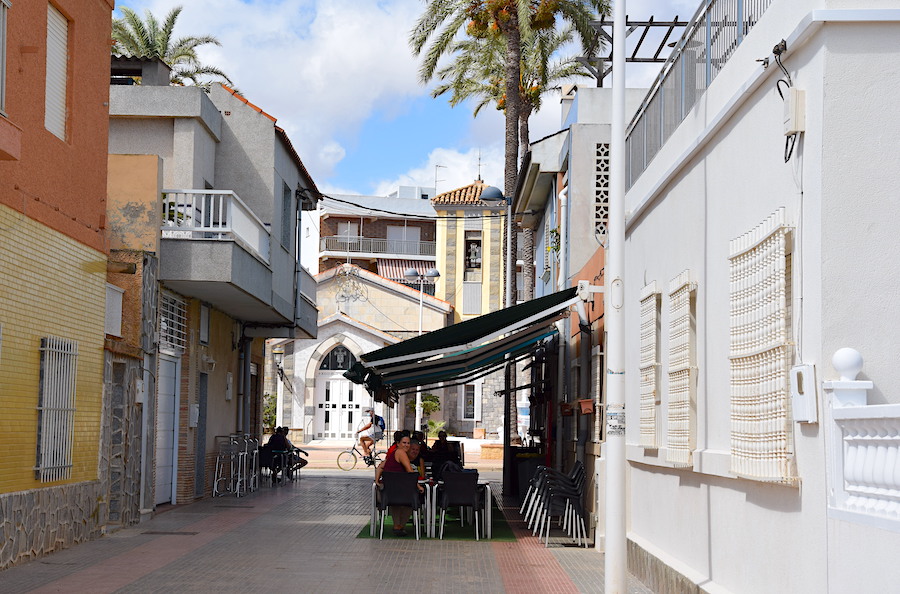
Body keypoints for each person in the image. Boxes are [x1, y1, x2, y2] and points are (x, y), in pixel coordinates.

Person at [375, 433, 422, 537]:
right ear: (398, 444)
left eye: (408, 443)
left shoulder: (393, 454)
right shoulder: (401, 452)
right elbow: (410, 471)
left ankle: (397, 526)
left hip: (389, 492)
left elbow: (380, 467)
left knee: (397, 503)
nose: (407, 445)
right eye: (404, 443)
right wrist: (418, 486)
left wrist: (377, 480)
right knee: (412, 500)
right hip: (400, 492)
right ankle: (400, 526)